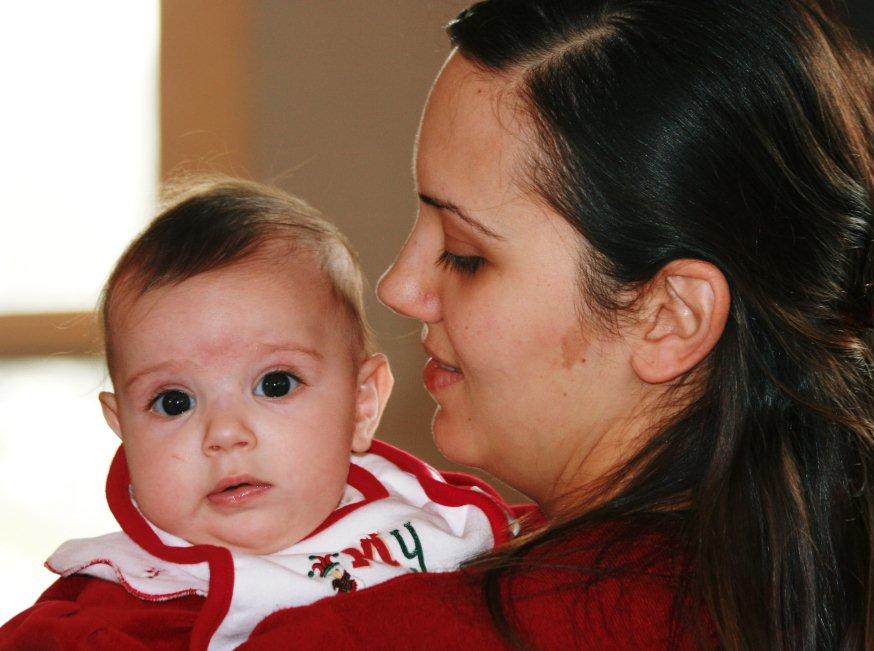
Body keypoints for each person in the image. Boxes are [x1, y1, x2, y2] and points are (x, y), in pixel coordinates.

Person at [240, 0, 874, 649]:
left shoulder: (376, 634)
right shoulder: (842, 592)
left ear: (671, 317)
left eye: (467, 254)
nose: (400, 286)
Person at [0, 178, 517, 650]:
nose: (225, 434)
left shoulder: (441, 528)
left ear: (361, 404)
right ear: (122, 430)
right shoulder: (103, 613)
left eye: (275, 384)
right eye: (173, 402)